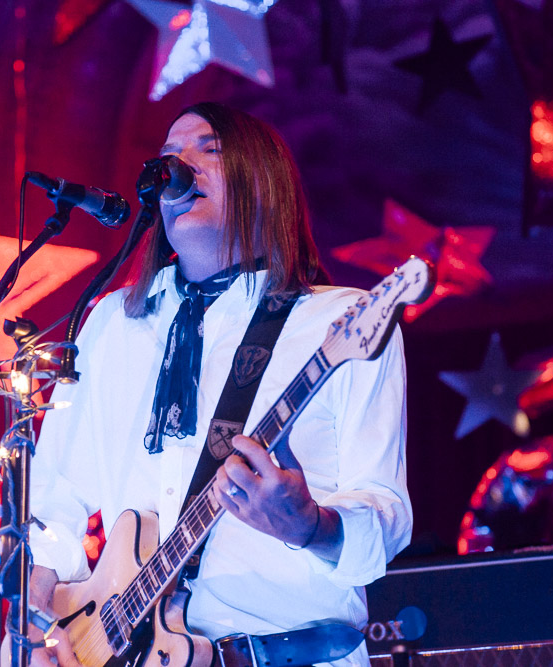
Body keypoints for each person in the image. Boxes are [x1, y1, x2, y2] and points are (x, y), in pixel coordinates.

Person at [24, 102, 412, 667]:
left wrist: (310, 527)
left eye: (209, 148)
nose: (181, 163)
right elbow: (56, 493)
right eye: (168, 155)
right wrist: (41, 606)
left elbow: (386, 514)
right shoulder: (112, 322)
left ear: (264, 181)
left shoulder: (339, 322)